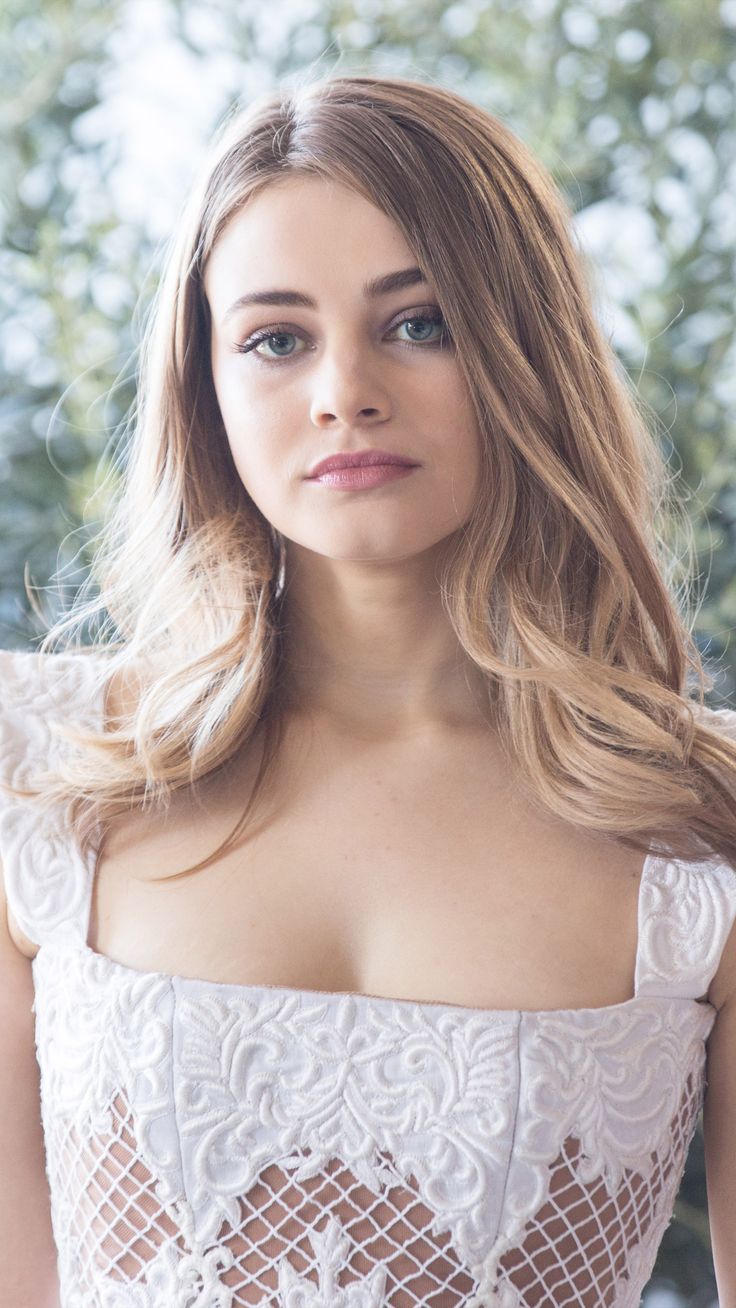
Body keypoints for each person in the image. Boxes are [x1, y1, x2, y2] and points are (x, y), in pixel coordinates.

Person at [1, 71, 735, 1308]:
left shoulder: (697, 822)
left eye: (420, 321)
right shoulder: (42, 767)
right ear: (208, 388)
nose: (345, 389)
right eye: (275, 339)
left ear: (526, 349)